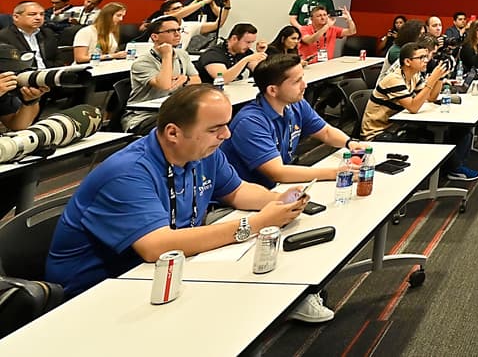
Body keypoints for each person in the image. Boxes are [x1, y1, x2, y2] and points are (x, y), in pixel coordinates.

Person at [44, 86, 331, 323]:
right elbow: (156, 246)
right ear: (173, 133)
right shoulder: (128, 172)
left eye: (226, 126)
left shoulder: (202, 152)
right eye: (216, 128)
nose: (227, 136)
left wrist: (280, 201)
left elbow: (238, 192)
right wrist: (255, 224)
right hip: (99, 295)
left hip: (163, 271)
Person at [222, 54, 357, 186]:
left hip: (278, 186)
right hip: (246, 198)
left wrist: (350, 143)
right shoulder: (250, 122)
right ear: (272, 90)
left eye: (302, 78)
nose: (305, 85)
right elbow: (278, 172)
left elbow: (326, 132)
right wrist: (336, 173)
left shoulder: (295, 103)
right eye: (297, 81)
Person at [362, 38, 478, 182]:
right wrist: (431, 81)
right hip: (380, 133)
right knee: (432, 137)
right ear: (407, 62)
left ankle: (453, 168)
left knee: (462, 130)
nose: (426, 60)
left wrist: (440, 78)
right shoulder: (393, 79)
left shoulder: (414, 75)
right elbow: (413, 107)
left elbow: (430, 97)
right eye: (421, 58)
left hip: (398, 125)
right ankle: (451, 169)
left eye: (426, 57)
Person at [122, 15, 200, 134]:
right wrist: (167, 55)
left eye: (178, 30)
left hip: (171, 112)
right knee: (186, 125)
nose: (177, 34)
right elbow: (164, 85)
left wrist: (185, 79)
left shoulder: (182, 54)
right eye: (171, 31)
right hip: (143, 118)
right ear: (155, 37)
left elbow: (197, 80)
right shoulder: (142, 62)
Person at [195, 23, 267, 84]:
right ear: (234, 38)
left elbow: (260, 72)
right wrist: (245, 60)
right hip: (210, 93)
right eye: (247, 42)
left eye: (252, 42)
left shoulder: (244, 51)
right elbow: (222, 79)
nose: (249, 46)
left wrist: (261, 53)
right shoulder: (213, 54)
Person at [0, 1, 61, 70]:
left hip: (48, 74)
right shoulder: (4, 36)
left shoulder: (47, 33)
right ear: (16, 17)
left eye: (42, 14)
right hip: (22, 76)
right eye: (32, 14)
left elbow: (57, 58)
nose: (38, 18)